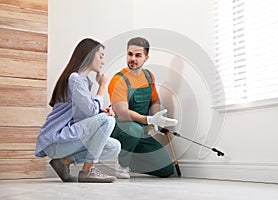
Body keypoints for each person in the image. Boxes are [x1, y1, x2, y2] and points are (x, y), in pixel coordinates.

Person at [35, 38, 121, 183]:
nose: (103, 61)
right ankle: (88, 170)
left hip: (67, 140)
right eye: (100, 56)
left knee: (114, 147)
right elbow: (91, 112)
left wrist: (100, 111)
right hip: (56, 140)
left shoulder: (83, 81)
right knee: (108, 120)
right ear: (89, 54)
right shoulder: (74, 78)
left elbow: (84, 116)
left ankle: (64, 162)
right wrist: (102, 86)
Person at [108, 37, 178, 179]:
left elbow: (154, 100)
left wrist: (157, 117)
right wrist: (149, 119)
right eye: (130, 54)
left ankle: (129, 156)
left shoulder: (148, 76)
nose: (132, 58)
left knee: (166, 169)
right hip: (121, 128)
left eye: (138, 55)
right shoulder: (118, 80)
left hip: (140, 130)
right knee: (134, 128)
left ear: (146, 57)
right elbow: (122, 114)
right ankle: (122, 164)